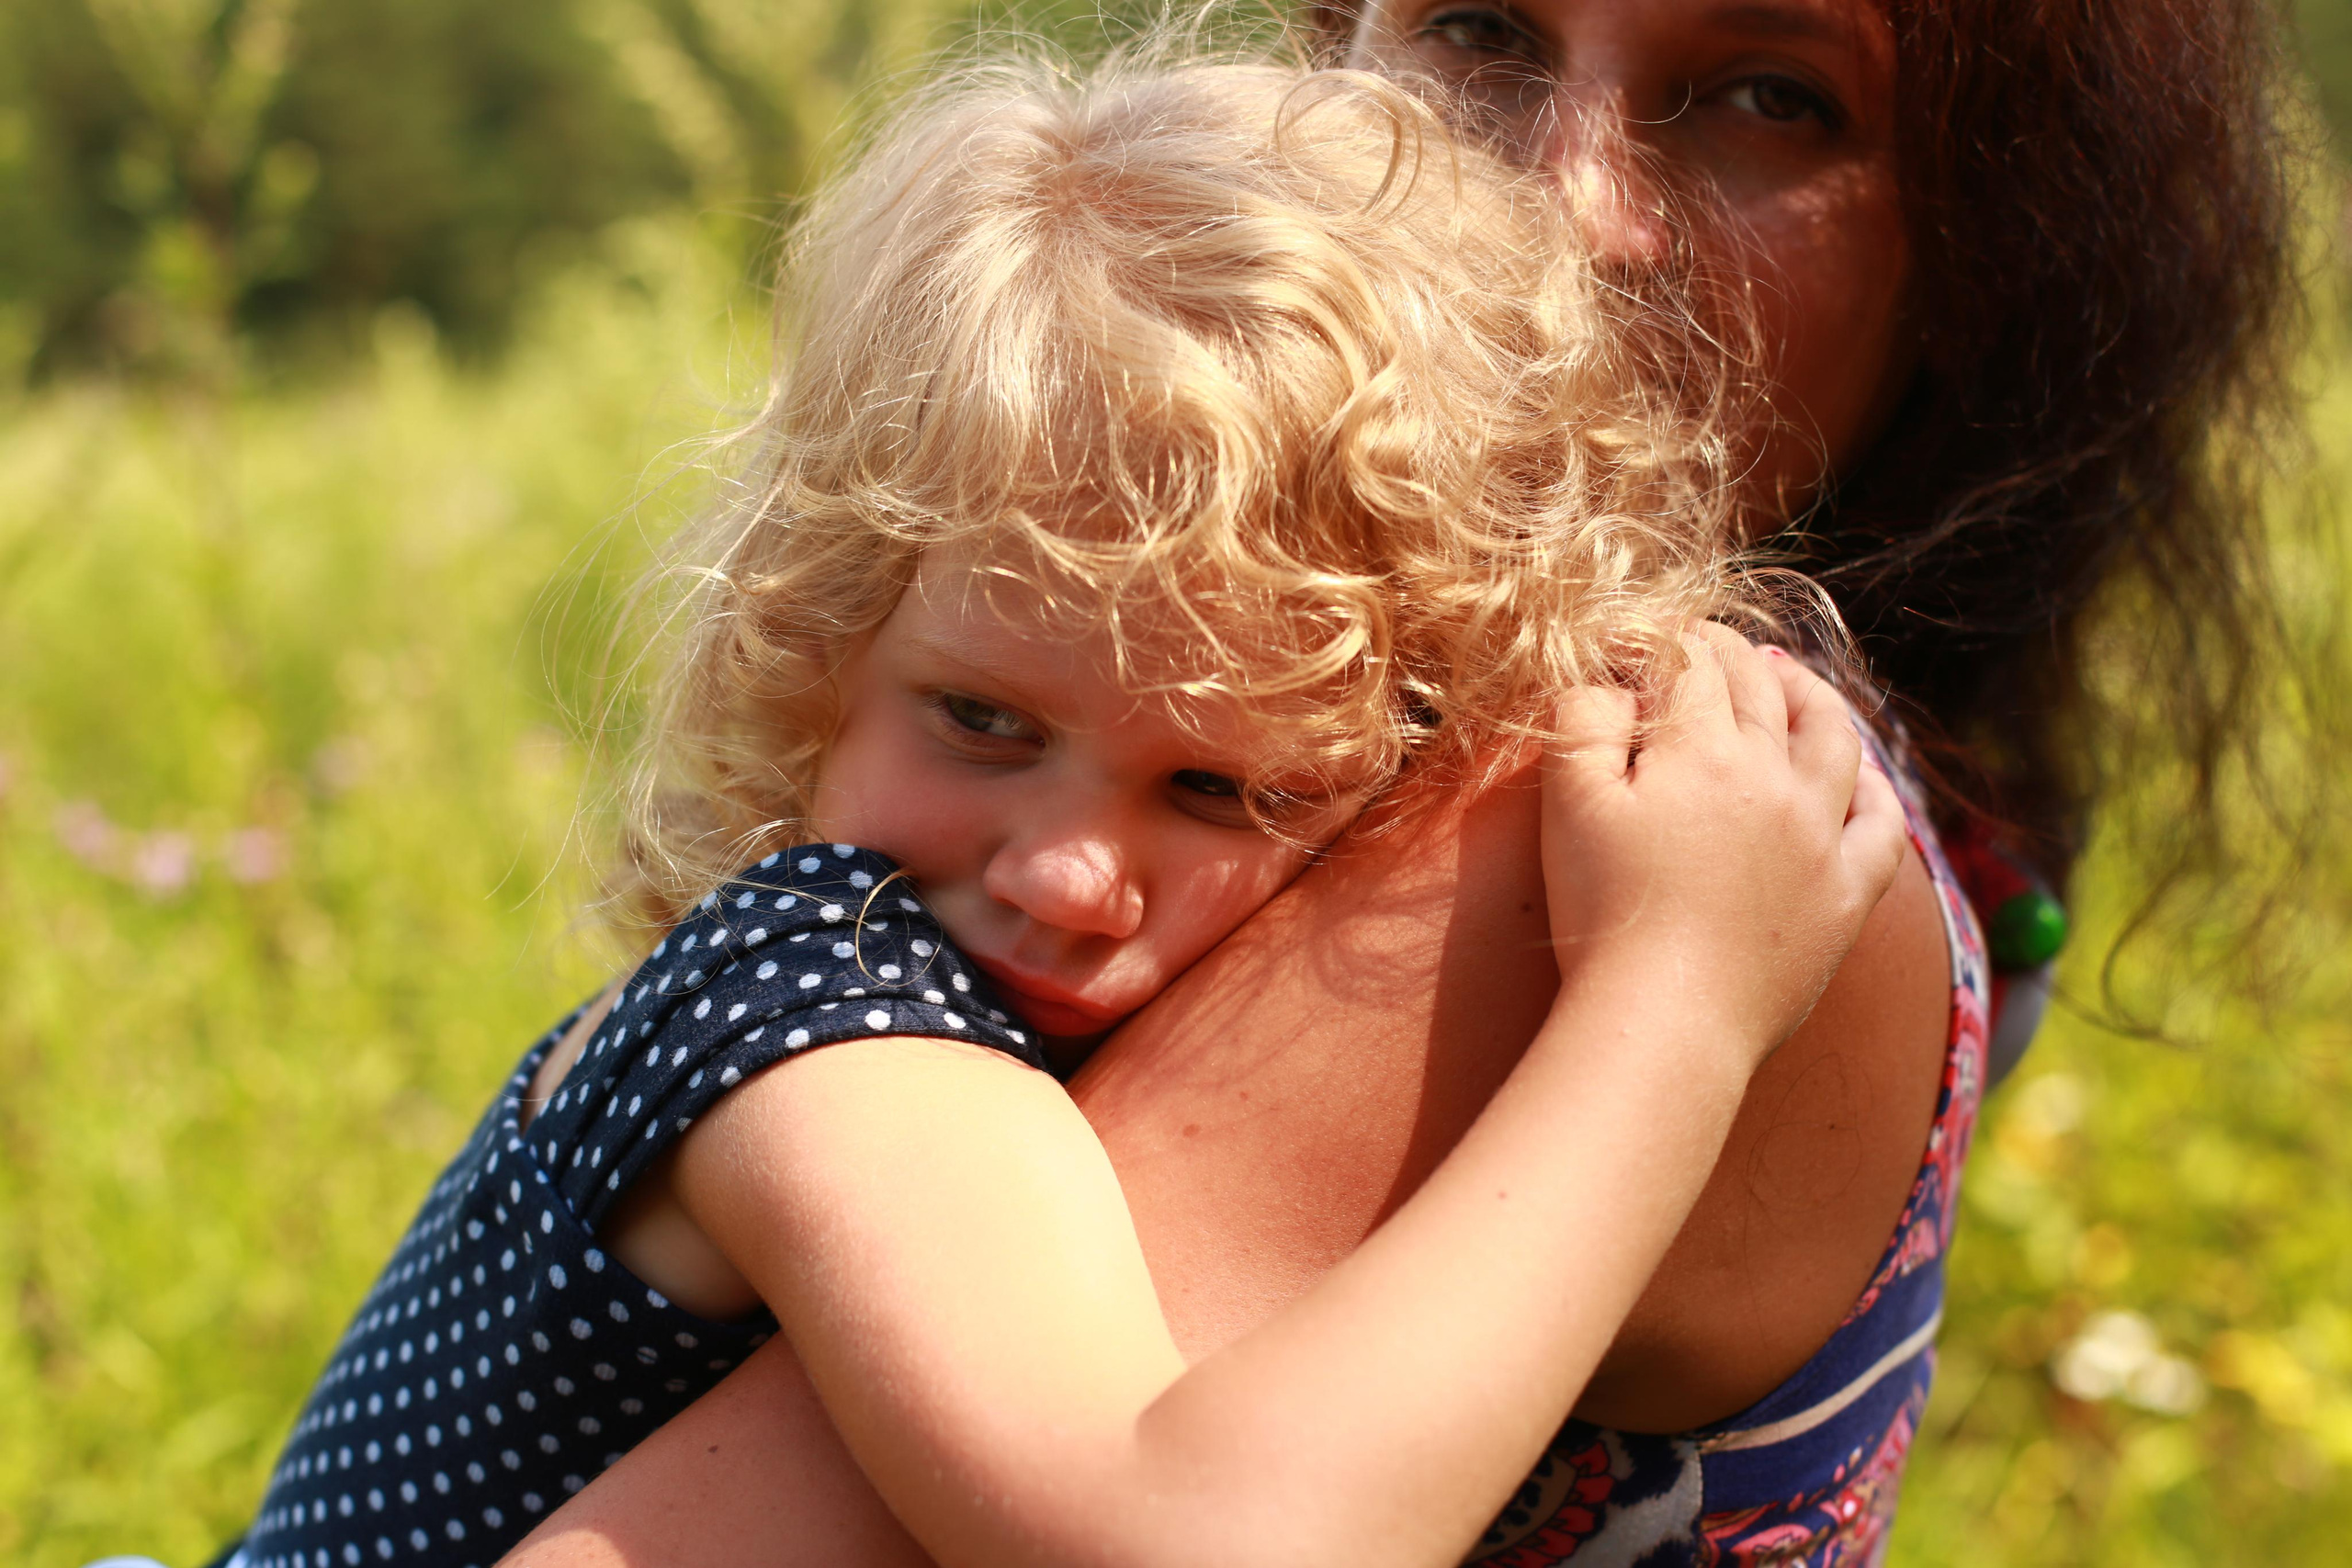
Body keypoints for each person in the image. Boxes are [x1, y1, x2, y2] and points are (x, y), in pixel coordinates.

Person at [496, 1, 2312, 1563]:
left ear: (1989, 248)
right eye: (1479, 32)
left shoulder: (1651, 791)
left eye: (1772, 96)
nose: (1573, 207)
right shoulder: (1597, 786)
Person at [212, 54, 1910, 1568]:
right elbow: (1199, 1545)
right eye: (981, 721)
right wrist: (1677, 999)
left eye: (1218, 787)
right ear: (823, 634)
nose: (1069, 871)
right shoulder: (828, 1020)